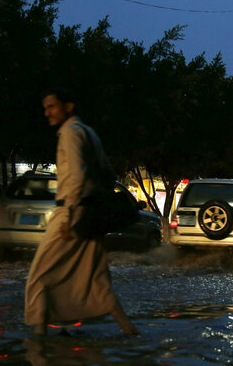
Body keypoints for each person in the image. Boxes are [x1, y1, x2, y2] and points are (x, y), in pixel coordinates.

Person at [24, 89, 139, 336]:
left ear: (69, 106)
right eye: (45, 108)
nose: (47, 113)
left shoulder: (69, 133)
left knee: (39, 276)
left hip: (72, 214)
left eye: (52, 107)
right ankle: (130, 332)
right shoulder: (89, 133)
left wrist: (68, 216)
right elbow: (108, 175)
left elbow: (76, 175)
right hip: (91, 216)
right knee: (96, 277)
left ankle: (38, 344)